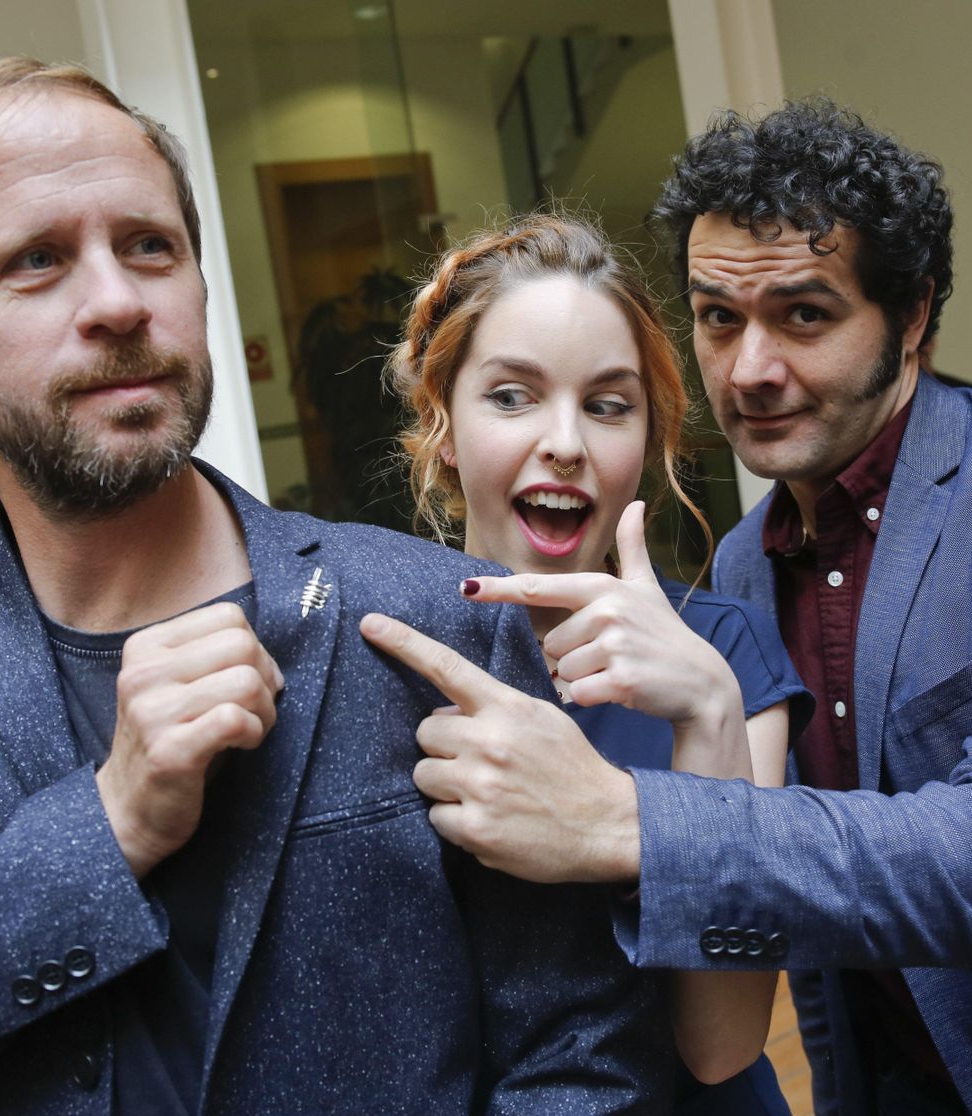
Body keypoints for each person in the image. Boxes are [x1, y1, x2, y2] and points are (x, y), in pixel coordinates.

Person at [0, 58, 671, 1115]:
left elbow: (587, 1059)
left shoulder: (430, 618)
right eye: (37, 260)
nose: (115, 302)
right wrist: (103, 834)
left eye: (149, 246)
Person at [361, 101, 972, 1115]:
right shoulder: (743, 572)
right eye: (719, 318)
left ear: (909, 319)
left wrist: (629, 820)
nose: (750, 370)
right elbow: (803, 942)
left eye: (804, 316)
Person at [386, 214, 814, 1115]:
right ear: (444, 426)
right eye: (512, 397)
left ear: (647, 443)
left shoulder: (725, 650)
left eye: (608, 404)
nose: (567, 442)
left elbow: (723, 1041)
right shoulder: (384, 654)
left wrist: (707, 711)